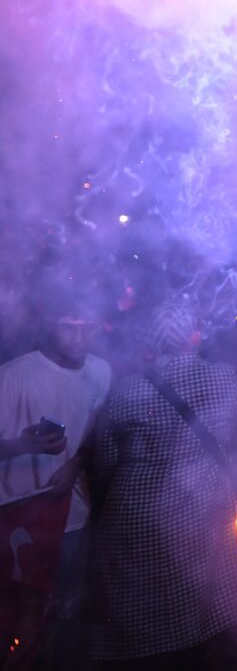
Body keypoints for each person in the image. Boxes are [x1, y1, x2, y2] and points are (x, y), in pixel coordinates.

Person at [90, 299, 237, 670]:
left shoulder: (127, 389)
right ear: (195, 336)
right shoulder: (224, 377)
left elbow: (104, 457)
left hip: (136, 510)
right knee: (204, 606)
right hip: (203, 503)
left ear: (151, 341)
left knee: (140, 608)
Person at [0, 269, 113, 667]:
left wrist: (77, 463)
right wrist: (21, 445)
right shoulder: (13, 376)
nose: (80, 339)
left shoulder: (101, 371)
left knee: (67, 612)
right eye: (69, 328)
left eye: (88, 328)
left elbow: (97, 431)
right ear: (49, 324)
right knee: (21, 621)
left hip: (72, 520)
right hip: (16, 522)